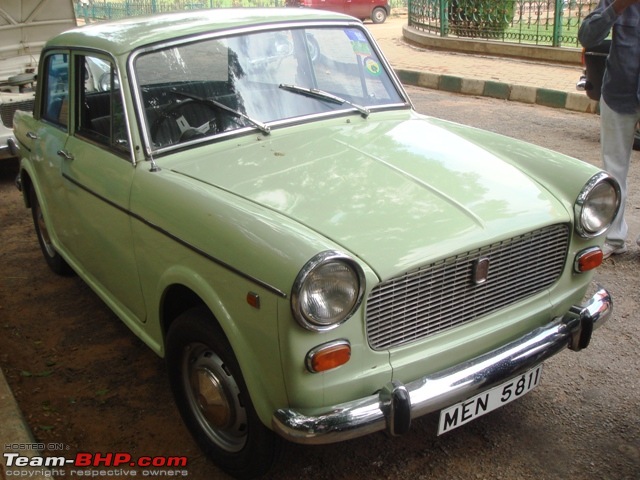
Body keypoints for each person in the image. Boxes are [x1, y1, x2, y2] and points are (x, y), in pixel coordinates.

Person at [578, 0, 640, 258]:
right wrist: (616, 8)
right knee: (614, 168)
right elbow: (587, 36)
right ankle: (613, 237)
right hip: (619, 92)